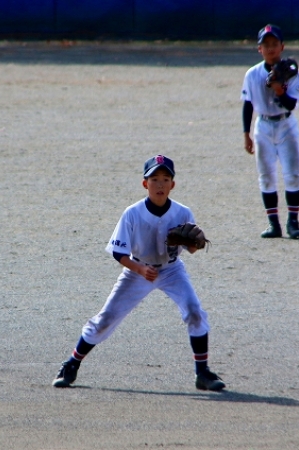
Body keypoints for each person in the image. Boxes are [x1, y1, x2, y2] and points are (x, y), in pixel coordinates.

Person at [52, 155, 225, 391]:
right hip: (136, 271)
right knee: (106, 319)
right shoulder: (132, 213)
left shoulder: (183, 212)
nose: (160, 184)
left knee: (195, 311)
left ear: (173, 184)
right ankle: (71, 364)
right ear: (145, 183)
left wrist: (196, 243)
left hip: (172, 270)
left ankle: (202, 373)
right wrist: (141, 269)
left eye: (166, 179)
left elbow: (191, 249)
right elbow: (118, 252)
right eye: (154, 179)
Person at [241, 24, 299, 239]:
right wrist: (246, 134)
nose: (270, 48)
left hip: (286, 125)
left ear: (282, 47)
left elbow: (291, 105)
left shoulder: (292, 73)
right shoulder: (252, 74)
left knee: (293, 174)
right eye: (266, 44)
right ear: (259, 49)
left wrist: (280, 90)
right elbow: (247, 104)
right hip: (263, 126)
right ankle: (273, 224)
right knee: (266, 176)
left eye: (274, 44)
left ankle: (293, 223)